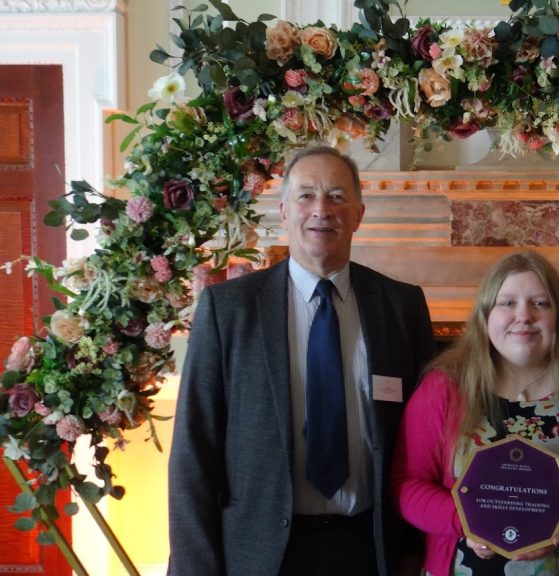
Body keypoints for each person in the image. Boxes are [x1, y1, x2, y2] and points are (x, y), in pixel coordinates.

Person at [168, 145, 436, 576]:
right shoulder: (229, 309)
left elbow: (426, 442)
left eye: (336, 196)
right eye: (306, 195)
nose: (321, 210)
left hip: (369, 549)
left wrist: (419, 552)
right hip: (261, 554)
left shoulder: (401, 306)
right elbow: (193, 452)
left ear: (359, 214)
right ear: (284, 211)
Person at [391, 251, 559, 576]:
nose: (524, 316)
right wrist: (464, 521)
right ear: (485, 316)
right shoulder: (443, 388)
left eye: (540, 303)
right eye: (507, 303)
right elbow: (407, 484)